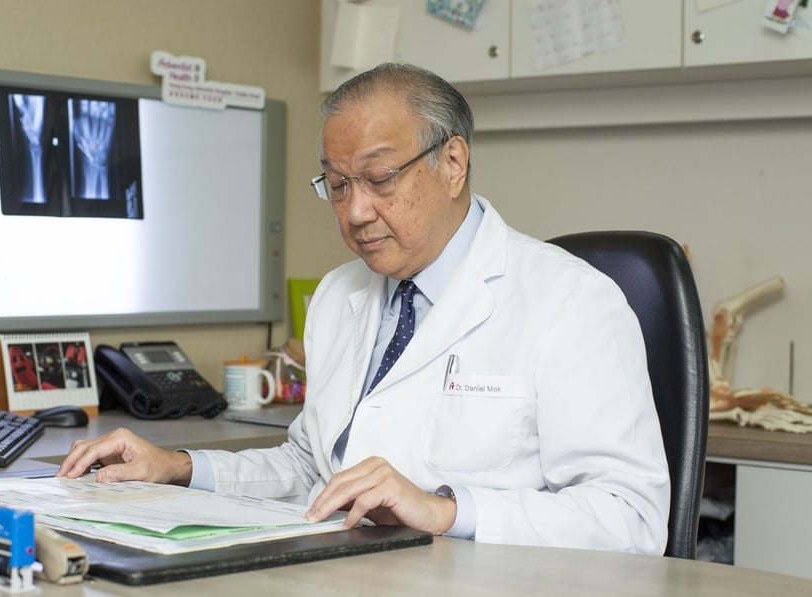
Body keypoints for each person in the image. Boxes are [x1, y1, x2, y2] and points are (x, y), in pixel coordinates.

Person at [57, 63, 670, 554]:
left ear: (453, 163)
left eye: (379, 178)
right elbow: (313, 467)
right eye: (338, 184)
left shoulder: (571, 301)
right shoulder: (339, 295)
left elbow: (632, 519)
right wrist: (182, 467)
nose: (353, 212)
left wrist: (447, 512)